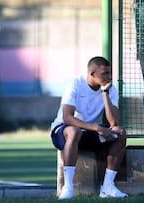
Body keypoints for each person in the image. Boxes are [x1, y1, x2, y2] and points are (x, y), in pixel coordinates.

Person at [50, 56, 128, 200]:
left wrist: (105, 93)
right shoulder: (75, 84)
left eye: (110, 73)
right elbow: (68, 118)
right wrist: (96, 127)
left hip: (90, 132)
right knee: (74, 131)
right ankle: (68, 188)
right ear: (92, 74)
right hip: (64, 131)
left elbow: (114, 122)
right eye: (105, 73)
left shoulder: (111, 89)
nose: (109, 77)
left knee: (120, 133)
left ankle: (107, 188)